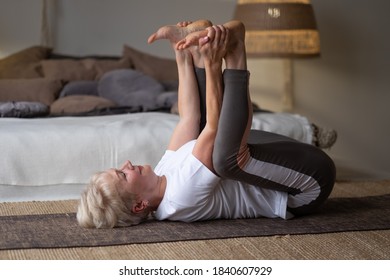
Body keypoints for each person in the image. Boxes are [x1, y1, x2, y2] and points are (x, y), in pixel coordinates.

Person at [77, 20, 336, 229]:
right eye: (123, 175)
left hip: (284, 158)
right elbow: (215, 124)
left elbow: (189, 117)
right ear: (138, 205)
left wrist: (182, 54)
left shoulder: (163, 174)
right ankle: (235, 53)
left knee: (201, 134)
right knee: (225, 158)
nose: (127, 164)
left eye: (119, 167)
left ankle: (196, 50)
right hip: (306, 188)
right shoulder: (179, 197)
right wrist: (213, 64)